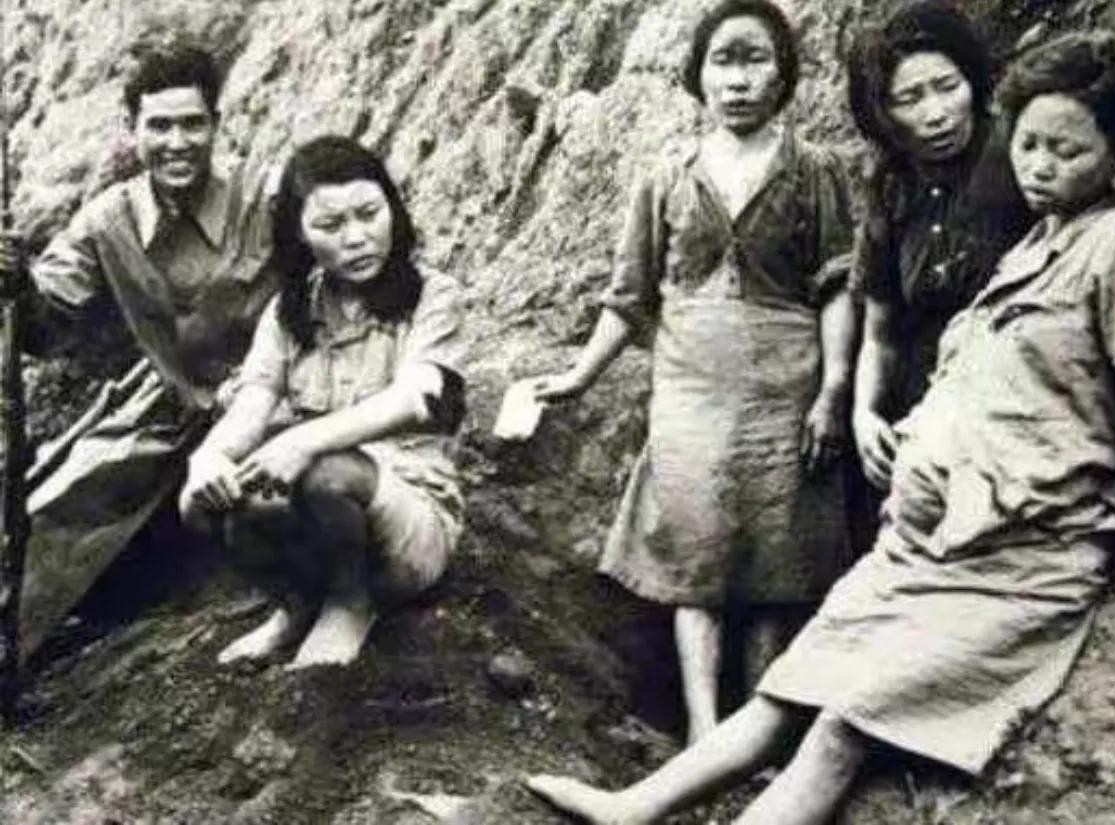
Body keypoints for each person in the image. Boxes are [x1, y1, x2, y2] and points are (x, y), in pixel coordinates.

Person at [526, 32, 1115, 825]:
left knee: (843, 725)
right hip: (927, 541)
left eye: (1067, 151)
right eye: (1029, 144)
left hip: (1020, 553)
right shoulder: (1035, 244)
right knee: (785, 694)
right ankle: (632, 807)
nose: (1038, 166)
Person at [528, 0, 856, 744]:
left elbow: (838, 287)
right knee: (695, 558)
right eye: (722, 61)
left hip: (786, 388)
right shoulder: (665, 175)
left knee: (777, 561)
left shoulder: (817, 171)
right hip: (689, 392)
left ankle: (757, 734)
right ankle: (705, 732)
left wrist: (834, 389)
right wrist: (579, 375)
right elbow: (629, 297)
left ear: (783, 73)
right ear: (698, 75)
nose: (738, 80)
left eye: (755, 59)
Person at [0, 43, 279, 657]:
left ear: (216, 124)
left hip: (272, 403)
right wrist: (17, 286)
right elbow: (47, 327)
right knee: (44, 521)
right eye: (160, 125)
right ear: (133, 129)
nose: (177, 142)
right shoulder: (107, 220)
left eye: (193, 124)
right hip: (166, 411)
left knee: (275, 510)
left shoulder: (267, 198)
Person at [178, 136, 465, 669]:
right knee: (225, 495)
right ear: (300, 235)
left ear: (392, 209)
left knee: (326, 471)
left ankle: (351, 604)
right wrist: (209, 460)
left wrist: (301, 442)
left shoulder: (433, 294)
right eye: (331, 225)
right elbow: (252, 404)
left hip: (407, 526)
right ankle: (294, 606)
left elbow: (415, 398)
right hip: (318, 523)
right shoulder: (289, 313)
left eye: (369, 214)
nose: (356, 237)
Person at [849, 2, 1033, 490]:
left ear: (972, 80)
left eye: (948, 87)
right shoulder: (891, 185)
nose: (935, 113)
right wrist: (865, 414)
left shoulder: (1020, 152)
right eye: (908, 98)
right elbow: (881, 333)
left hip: (1021, 404)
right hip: (925, 415)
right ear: (882, 113)